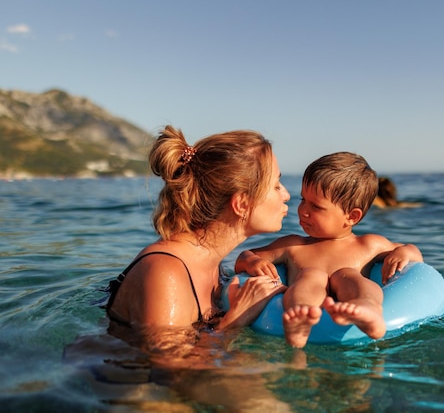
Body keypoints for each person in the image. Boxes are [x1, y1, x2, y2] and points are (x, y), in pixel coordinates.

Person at [106, 125, 290, 334]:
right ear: (242, 205)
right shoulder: (166, 272)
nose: (286, 195)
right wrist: (240, 316)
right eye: (276, 185)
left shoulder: (213, 265)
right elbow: (167, 365)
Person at [235, 152, 424, 348]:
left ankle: (368, 308)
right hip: (307, 310)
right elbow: (245, 257)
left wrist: (404, 252)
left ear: (352, 216)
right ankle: (300, 318)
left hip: (351, 307)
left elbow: (413, 255)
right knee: (311, 276)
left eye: (315, 206)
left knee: (348, 275)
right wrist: (252, 261)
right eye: (302, 200)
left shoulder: (368, 245)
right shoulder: (292, 245)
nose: (303, 210)